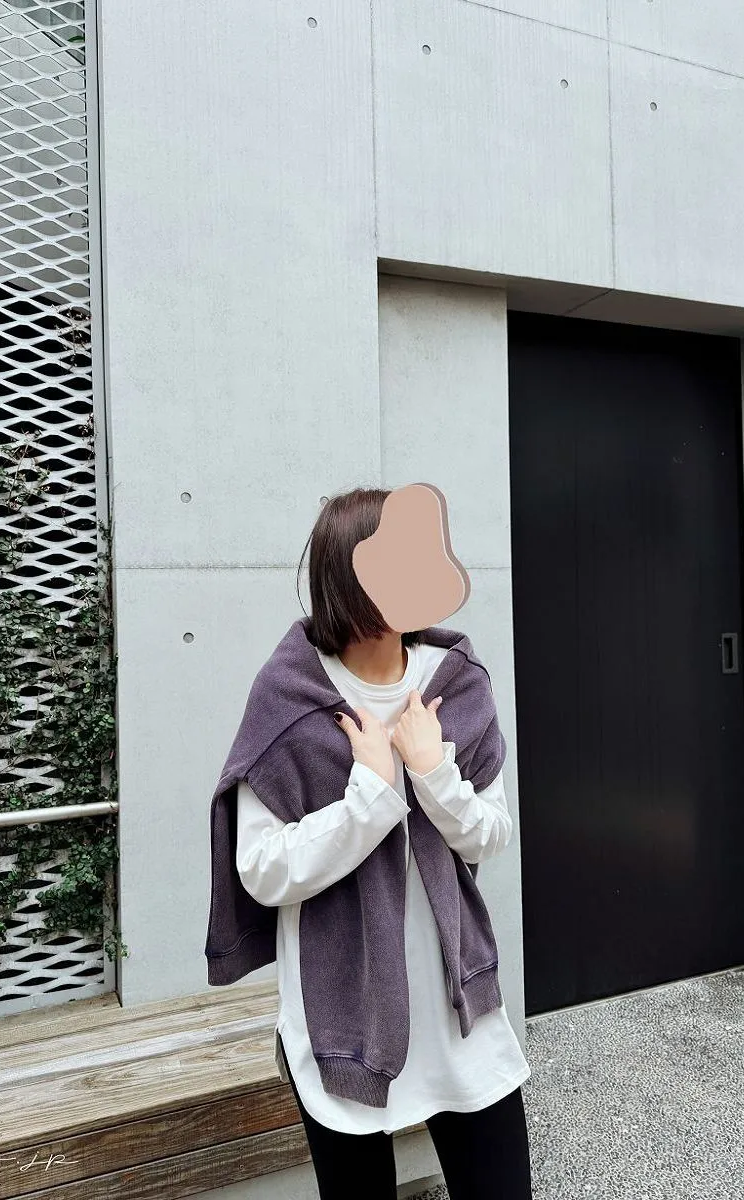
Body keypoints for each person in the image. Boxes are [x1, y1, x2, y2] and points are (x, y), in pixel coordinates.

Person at [207, 486, 533, 1199]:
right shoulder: (289, 697)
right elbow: (259, 868)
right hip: (339, 1016)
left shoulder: (456, 684)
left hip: (459, 1011)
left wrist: (434, 773)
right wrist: (371, 798)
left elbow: (493, 832)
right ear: (351, 577)